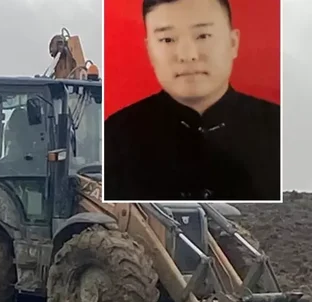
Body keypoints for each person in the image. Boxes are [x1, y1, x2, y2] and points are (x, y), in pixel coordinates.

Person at [104, 0, 280, 202]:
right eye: (167, 39)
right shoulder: (114, 138)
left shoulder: (279, 128)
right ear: (149, 50)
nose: (188, 56)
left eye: (203, 36)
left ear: (233, 43)